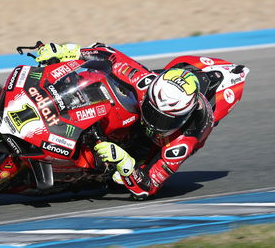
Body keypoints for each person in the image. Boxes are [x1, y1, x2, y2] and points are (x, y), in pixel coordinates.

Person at [35, 42, 214, 200]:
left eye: (165, 120)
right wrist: (66, 51)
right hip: (138, 115)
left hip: (155, 145)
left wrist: (123, 161)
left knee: (118, 181)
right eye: (153, 111)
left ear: (183, 117)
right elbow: (106, 53)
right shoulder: (144, 82)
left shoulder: (182, 143)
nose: (155, 122)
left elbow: (148, 187)